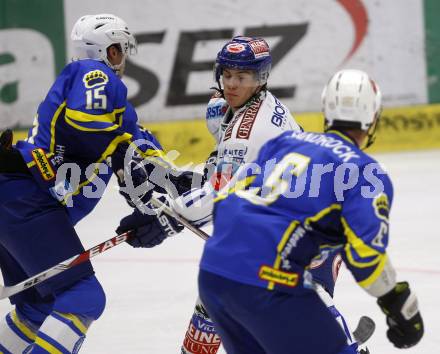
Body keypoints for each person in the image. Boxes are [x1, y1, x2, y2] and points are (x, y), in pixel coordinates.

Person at [196, 69, 424, 353]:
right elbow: (365, 257)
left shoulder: (283, 143)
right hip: (267, 285)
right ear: (372, 119)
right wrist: (397, 301)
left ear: (326, 109)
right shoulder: (364, 172)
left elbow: (226, 199)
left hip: (213, 274)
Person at [0, 14, 183, 353]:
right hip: (26, 199)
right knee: (83, 297)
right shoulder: (92, 74)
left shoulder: (114, 104)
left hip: (17, 199)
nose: (121, 59)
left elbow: (141, 154)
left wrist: (177, 186)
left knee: (37, 308)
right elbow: (88, 125)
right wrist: (123, 164)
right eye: (118, 50)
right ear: (105, 49)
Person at [175, 36, 358, 354]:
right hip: (292, 230)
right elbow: (226, 177)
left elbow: (215, 199)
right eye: (227, 75)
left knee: (232, 306)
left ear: (260, 79)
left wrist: (169, 211)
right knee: (216, 303)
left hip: (306, 246)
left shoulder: (249, 132)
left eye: (241, 77)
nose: (231, 84)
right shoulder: (254, 106)